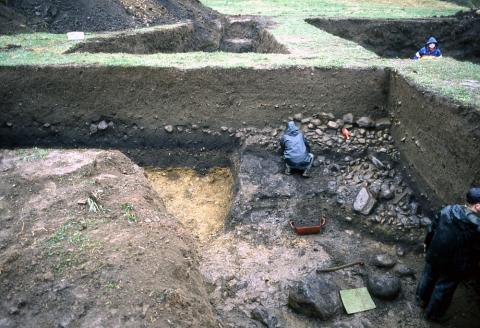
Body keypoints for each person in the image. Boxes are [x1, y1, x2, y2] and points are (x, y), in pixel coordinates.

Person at [416, 187, 480, 322]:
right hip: (455, 265)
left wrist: (427, 245)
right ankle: (433, 314)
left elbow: (431, 228)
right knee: (443, 288)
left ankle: (421, 299)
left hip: (435, 253)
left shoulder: (448, 209)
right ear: (478, 206)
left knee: (428, 276)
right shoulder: (477, 227)